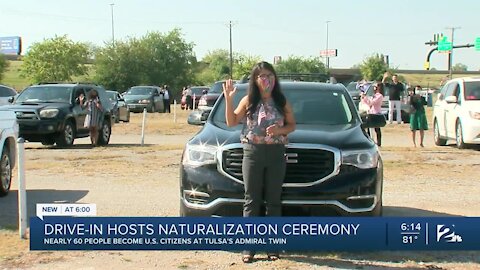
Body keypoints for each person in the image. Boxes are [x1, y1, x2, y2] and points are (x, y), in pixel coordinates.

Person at [223, 61, 296, 263]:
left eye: (270, 75)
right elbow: (231, 122)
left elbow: (292, 125)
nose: (266, 79)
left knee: (273, 201)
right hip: (253, 153)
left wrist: (279, 131)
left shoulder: (281, 101)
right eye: (262, 76)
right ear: (255, 79)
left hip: (275, 153)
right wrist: (229, 100)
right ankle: (249, 247)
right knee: (251, 200)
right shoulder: (248, 100)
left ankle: (273, 247)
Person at [360, 82, 384, 146]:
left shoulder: (380, 96)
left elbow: (372, 103)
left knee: (377, 129)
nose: (374, 88)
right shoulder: (374, 95)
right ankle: (370, 141)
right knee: (368, 128)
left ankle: (379, 143)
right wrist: (364, 98)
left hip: (376, 113)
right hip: (371, 112)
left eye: (376, 86)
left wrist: (366, 98)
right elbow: (368, 103)